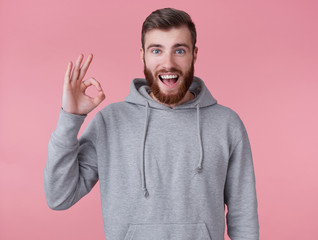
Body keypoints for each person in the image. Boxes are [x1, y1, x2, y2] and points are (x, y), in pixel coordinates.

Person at [44, 8, 259, 240]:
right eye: (157, 50)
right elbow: (59, 197)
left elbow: (243, 216)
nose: (168, 63)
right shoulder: (111, 122)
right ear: (143, 55)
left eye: (179, 50)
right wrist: (70, 118)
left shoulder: (227, 124)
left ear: (194, 54)